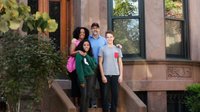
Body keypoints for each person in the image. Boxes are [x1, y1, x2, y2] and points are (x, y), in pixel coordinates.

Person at [98, 31, 123, 112]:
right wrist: (102, 76)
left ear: (113, 38)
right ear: (105, 38)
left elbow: (120, 62)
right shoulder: (102, 48)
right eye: (107, 37)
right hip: (106, 75)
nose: (109, 38)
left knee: (115, 95)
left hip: (115, 74)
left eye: (111, 37)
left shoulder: (117, 49)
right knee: (105, 95)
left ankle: (113, 110)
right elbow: (100, 63)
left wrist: (121, 75)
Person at [67, 27, 89, 107]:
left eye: (83, 32)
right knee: (75, 84)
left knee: (81, 84)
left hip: (82, 67)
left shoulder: (85, 42)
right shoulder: (74, 41)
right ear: (77, 33)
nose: (82, 33)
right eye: (80, 32)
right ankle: (75, 103)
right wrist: (79, 51)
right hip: (73, 66)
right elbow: (71, 53)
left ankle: (81, 102)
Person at [88, 22, 107, 108]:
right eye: (93, 28)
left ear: (99, 29)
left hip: (102, 66)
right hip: (92, 65)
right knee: (92, 85)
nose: (95, 29)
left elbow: (109, 48)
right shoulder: (88, 39)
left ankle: (105, 103)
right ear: (91, 29)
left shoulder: (103, 40)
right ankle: (93, 103)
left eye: (97, 28)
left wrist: (117, 46)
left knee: (104, 84)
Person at [75, 39, 97, 112]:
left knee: (88, 95)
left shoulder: (90, 55)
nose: (86, 46)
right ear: (82, 46)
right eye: (84, 45)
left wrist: (86, 55)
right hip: (83, 77)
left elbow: (94, 66)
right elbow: (79, 68)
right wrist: (81, 80)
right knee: (83, 95)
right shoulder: (78, 55)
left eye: (88, 45)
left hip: (90, 77)